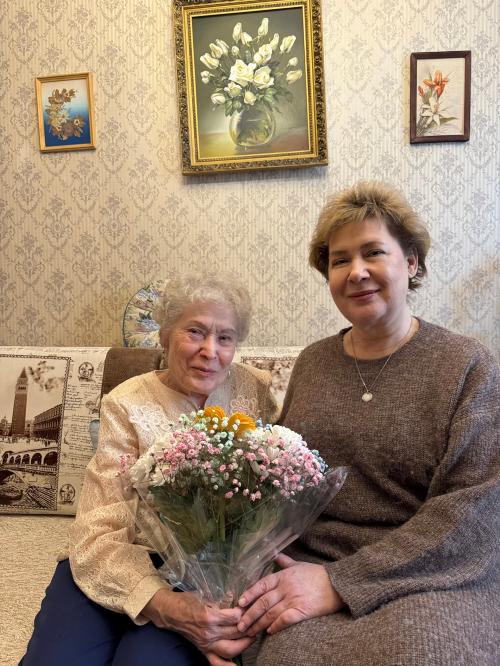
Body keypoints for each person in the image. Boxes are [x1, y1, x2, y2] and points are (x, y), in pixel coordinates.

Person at [236, 181, 499, 665]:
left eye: (373, 252)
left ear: (411, 262)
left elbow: (475, 508)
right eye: (340, 260)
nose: (356, 272)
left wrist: (342, 582)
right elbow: (281, 481)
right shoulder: (313, 363)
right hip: (309, 565)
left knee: (425, 653)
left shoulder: (467, 365)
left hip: (428, 573)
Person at [21, 273, 279, 666]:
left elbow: (272, 493)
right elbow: (100, 526)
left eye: (225, 337)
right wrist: (159, 603)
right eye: (195, 332)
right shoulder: (126, 402)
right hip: (116, 556)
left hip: (204, 574)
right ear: (165, 335)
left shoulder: (253, 390)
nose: (210, 350)